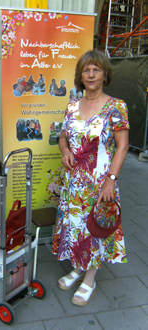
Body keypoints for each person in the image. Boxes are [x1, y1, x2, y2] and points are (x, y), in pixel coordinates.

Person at [52, 50, 129, 306]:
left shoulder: (116, 106)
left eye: (96, 69)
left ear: (105, 74)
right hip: (74, 182)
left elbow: (122, 146)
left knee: (94, 227)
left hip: (100, 183)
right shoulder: (73, 105)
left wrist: (111, 179)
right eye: (86, 70)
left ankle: (90, 278)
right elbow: (63, 136)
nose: (91, 74)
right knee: (75, 225)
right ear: (80, 76)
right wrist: (64, 151)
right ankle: (77, 266)